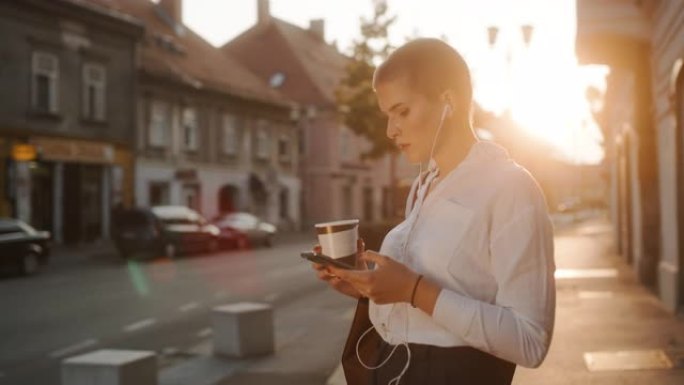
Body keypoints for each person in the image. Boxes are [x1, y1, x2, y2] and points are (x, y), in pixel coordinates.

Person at [311, 38, 555, 384]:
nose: (390, 130)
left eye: (402, 111)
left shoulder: (511, 187)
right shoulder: (424, 185)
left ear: (448, 103)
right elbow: (424, 304)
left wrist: (413, 289)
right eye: (387, 115)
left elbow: (531, 341)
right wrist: (365, 287)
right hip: (391, 367)